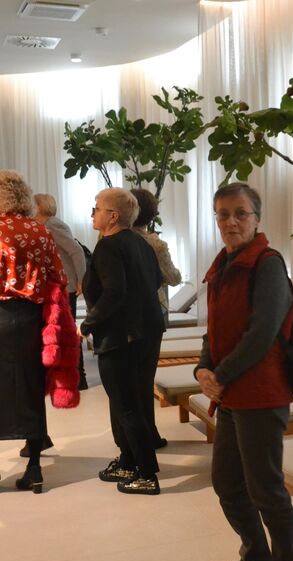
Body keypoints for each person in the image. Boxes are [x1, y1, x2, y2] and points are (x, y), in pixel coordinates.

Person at [195, 182, 293, 561]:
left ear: (257, 218)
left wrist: (219, 376)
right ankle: (257, 559)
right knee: (227, 482)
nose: (231, 222)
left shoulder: (268, 263)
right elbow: (215, 329)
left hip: (261, 393)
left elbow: (262, 333)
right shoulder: (223, 265)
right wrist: (204, 368)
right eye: (223, 214)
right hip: (232, 393)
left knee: (266, 489)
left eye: (240, 213)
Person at [0, 170, 67, 494]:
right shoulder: (40, 231)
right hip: (29, 319)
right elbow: (57, 275)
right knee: (30, 387)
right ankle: (34, 469)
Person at [80, 188, 165, 495]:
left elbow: (114, 293)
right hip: (147, 332)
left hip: (121, 337)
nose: (93, 213)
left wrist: (87, 325)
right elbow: (156, 281)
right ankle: (129, 461)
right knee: (133, 401)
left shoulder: (108, 246)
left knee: (127, 406)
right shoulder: (141, 243)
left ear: (113, 216)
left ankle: (146, 473)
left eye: (96, 208)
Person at [131, 188, 182, 449]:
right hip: (154, 313)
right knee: (145, 376)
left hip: (126, 317)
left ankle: (135, 435)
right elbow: (174, 278)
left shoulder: (110, 239)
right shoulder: (155, 244)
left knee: (129, 379)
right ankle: (149, 433)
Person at [34, 193, 88, 392]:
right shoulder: (44, 226)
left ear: (40, 208)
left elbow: (76, 251)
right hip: (57, 287)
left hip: (65, 287)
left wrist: (82, 279)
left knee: (68, 333)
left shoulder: (52, 225)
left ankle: (79, 377)